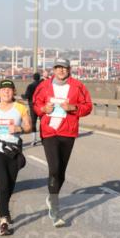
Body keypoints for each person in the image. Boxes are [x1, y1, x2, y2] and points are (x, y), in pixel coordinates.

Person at [32, 57, 93, 227]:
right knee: (54, 168)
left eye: (64, 68)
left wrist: (73, 108)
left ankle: (53, 197)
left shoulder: (78, 86)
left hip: (68, 131)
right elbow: (36, 105)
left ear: (69, 70)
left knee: (62, 172)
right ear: (53, 69)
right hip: (49, 131)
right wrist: (43, 109)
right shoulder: (43, 86)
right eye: (58, 67)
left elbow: (88, 106)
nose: (61, 71)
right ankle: (55, 206)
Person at [0, 79, 32, 235]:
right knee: (3, 185)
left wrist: (18, 128)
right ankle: (3, 220)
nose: (6, 92)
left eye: (9, 89)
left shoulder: (20, 108)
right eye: (3, 90)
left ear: (14, 92)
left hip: (14, 150)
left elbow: (29, 127)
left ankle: (5, 209)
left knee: (10, 185)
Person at [23, 72, 43, 146]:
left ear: (33, 78)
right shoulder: (42, 86)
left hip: (33, 106)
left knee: (33, 122)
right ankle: (43, 138)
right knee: (42, 122)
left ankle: (34, 140)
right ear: (39, 78)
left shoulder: (30, 86)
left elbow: (26, 96)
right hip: (41, 106)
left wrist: (23, 96)